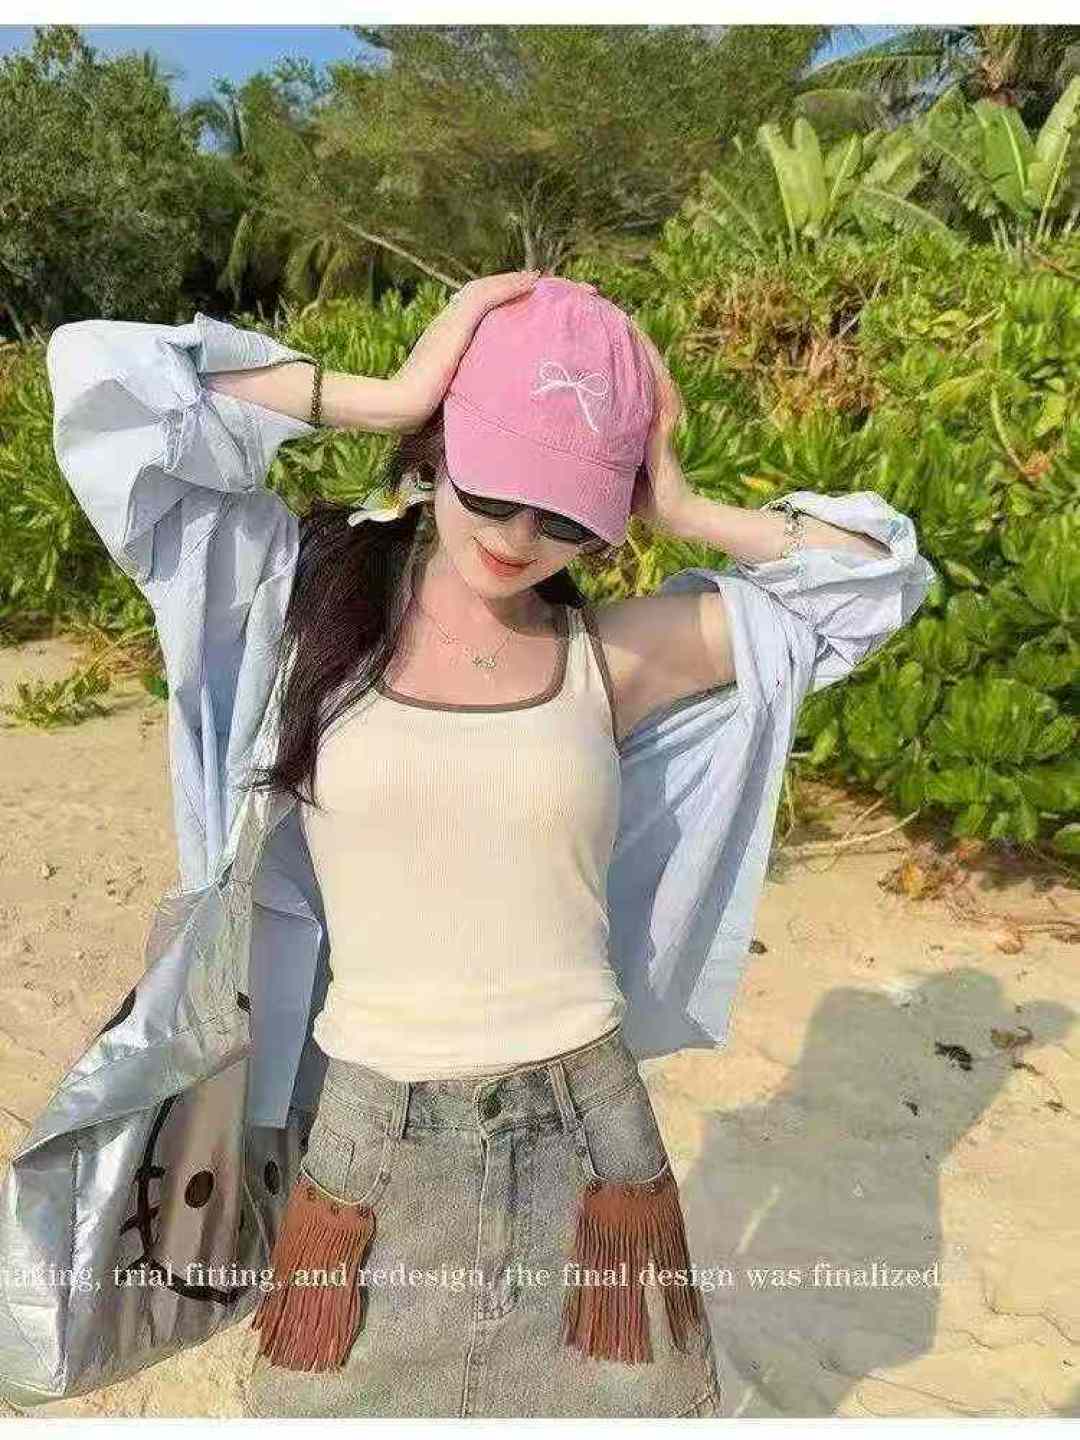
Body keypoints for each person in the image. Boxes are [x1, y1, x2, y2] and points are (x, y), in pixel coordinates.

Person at [27, 271, 936, 1418]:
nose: (518, 535)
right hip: (368, 1147)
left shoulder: (612, 654)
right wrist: (386, 395)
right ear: (438, 447)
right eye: (495, 486)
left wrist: (685, 506)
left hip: (593, 1142)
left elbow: (875, 585)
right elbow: (102, 381)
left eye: (566, 514)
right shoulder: (296, 608)